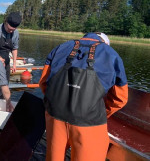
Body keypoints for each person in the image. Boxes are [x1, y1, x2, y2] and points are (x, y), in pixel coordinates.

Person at [39, 32, 128, 161]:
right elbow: (120, 98)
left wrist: (56, 103)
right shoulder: (111, 54)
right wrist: (103, 112)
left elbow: (43, 83)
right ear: (105, 43)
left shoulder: (60, 47)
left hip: (55, 118)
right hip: (89, 122)